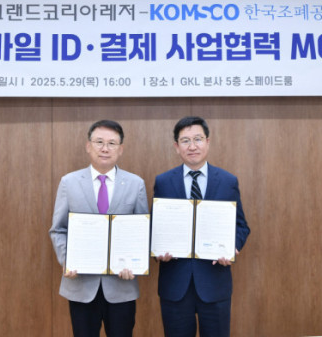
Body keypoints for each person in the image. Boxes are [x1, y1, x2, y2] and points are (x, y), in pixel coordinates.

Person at [49, 119, 148, 337]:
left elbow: (141, 233)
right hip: (81, 285)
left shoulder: (135, 184)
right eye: (99, 142)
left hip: (121, 286)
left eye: (112, 143)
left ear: (120, 149)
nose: (105, 148)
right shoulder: (69, 182)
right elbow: (58, 230)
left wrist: (135, 264)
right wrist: (67, 261)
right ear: (88, 146)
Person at [154, 116, 250, 337]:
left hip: (214, 284)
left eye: (197, 139)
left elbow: (241, 226)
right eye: (185, 140)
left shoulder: (227, 181)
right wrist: (157, 251)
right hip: (175, 285)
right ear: (177, 146)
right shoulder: (163, 181)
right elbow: (156, 226)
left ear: (207, 142)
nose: (192, 146)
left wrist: (232, 248)